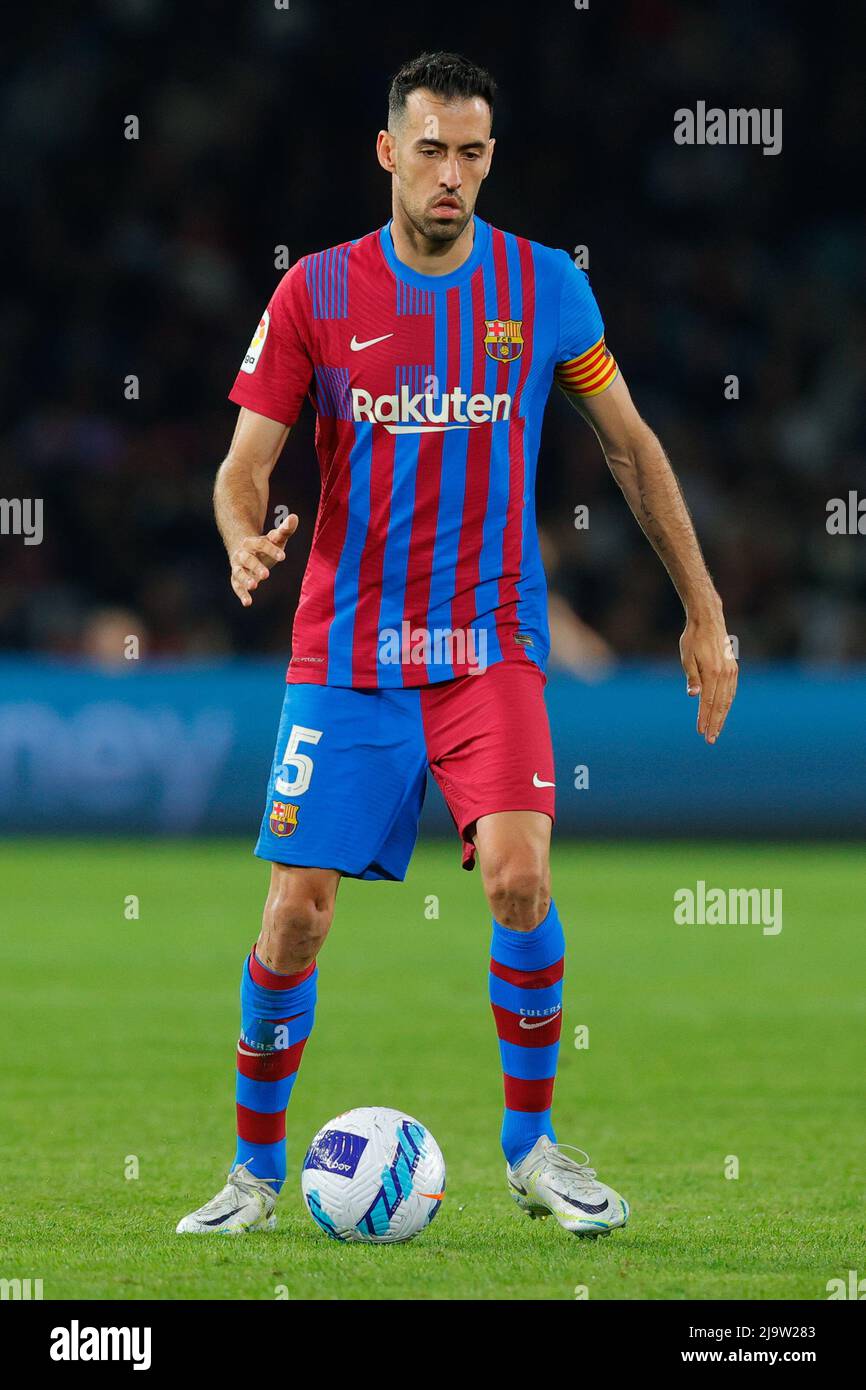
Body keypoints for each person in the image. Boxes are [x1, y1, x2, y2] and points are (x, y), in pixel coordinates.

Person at [177, 51, 737, 1239]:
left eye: (472, 152)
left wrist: (701, 610)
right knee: (295, 917)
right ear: (388, 151)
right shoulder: (314, 296)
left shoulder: (544, 289)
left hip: (488, 649)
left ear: (491, 158)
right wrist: (240, 539)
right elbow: (243, 467)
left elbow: (629, 449)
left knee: (523, 877)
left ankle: (532, 1151)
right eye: (429, 148)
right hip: (346, 654)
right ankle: (251, 1173)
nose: (451, 173)